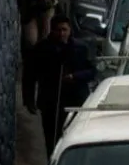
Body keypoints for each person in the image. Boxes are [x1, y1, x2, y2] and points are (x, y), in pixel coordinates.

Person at [22, 15, 96, 157]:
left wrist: (75, 77)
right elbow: (30, 76)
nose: (61, 33)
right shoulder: (41, 49)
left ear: (69, 30)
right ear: (52, 30)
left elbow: (92, 71)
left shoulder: (81, 48)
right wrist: (29, 100)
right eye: (58, 30)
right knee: (52, 141)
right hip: (51, 103)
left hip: (76, 102)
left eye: (64, 30)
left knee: (75, 139)